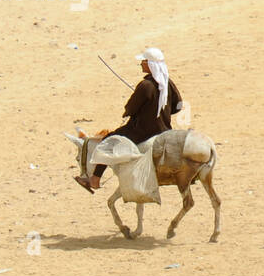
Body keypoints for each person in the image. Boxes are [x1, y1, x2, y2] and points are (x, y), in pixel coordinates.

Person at [74, 46, 184, 193]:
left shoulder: (145, 85)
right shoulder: (167, 83)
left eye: (143, 61)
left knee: (108, 141)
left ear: (150, 64)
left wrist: (129, 112)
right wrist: (162, 111)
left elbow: (131, 108)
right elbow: (178, 105)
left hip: (142, 131)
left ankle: (94, 179)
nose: (141, 64)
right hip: (164, 128)